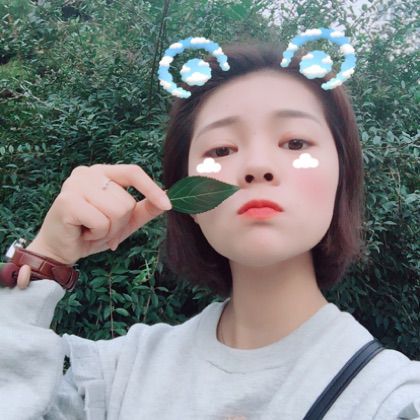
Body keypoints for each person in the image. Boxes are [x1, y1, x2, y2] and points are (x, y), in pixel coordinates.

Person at [0, 40, 419, 420]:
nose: (257, 166)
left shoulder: (390, 398)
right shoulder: (111, 380)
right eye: (221, 149)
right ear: (187, 199)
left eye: (295, 143)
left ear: (341, 178)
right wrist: (46, 258)